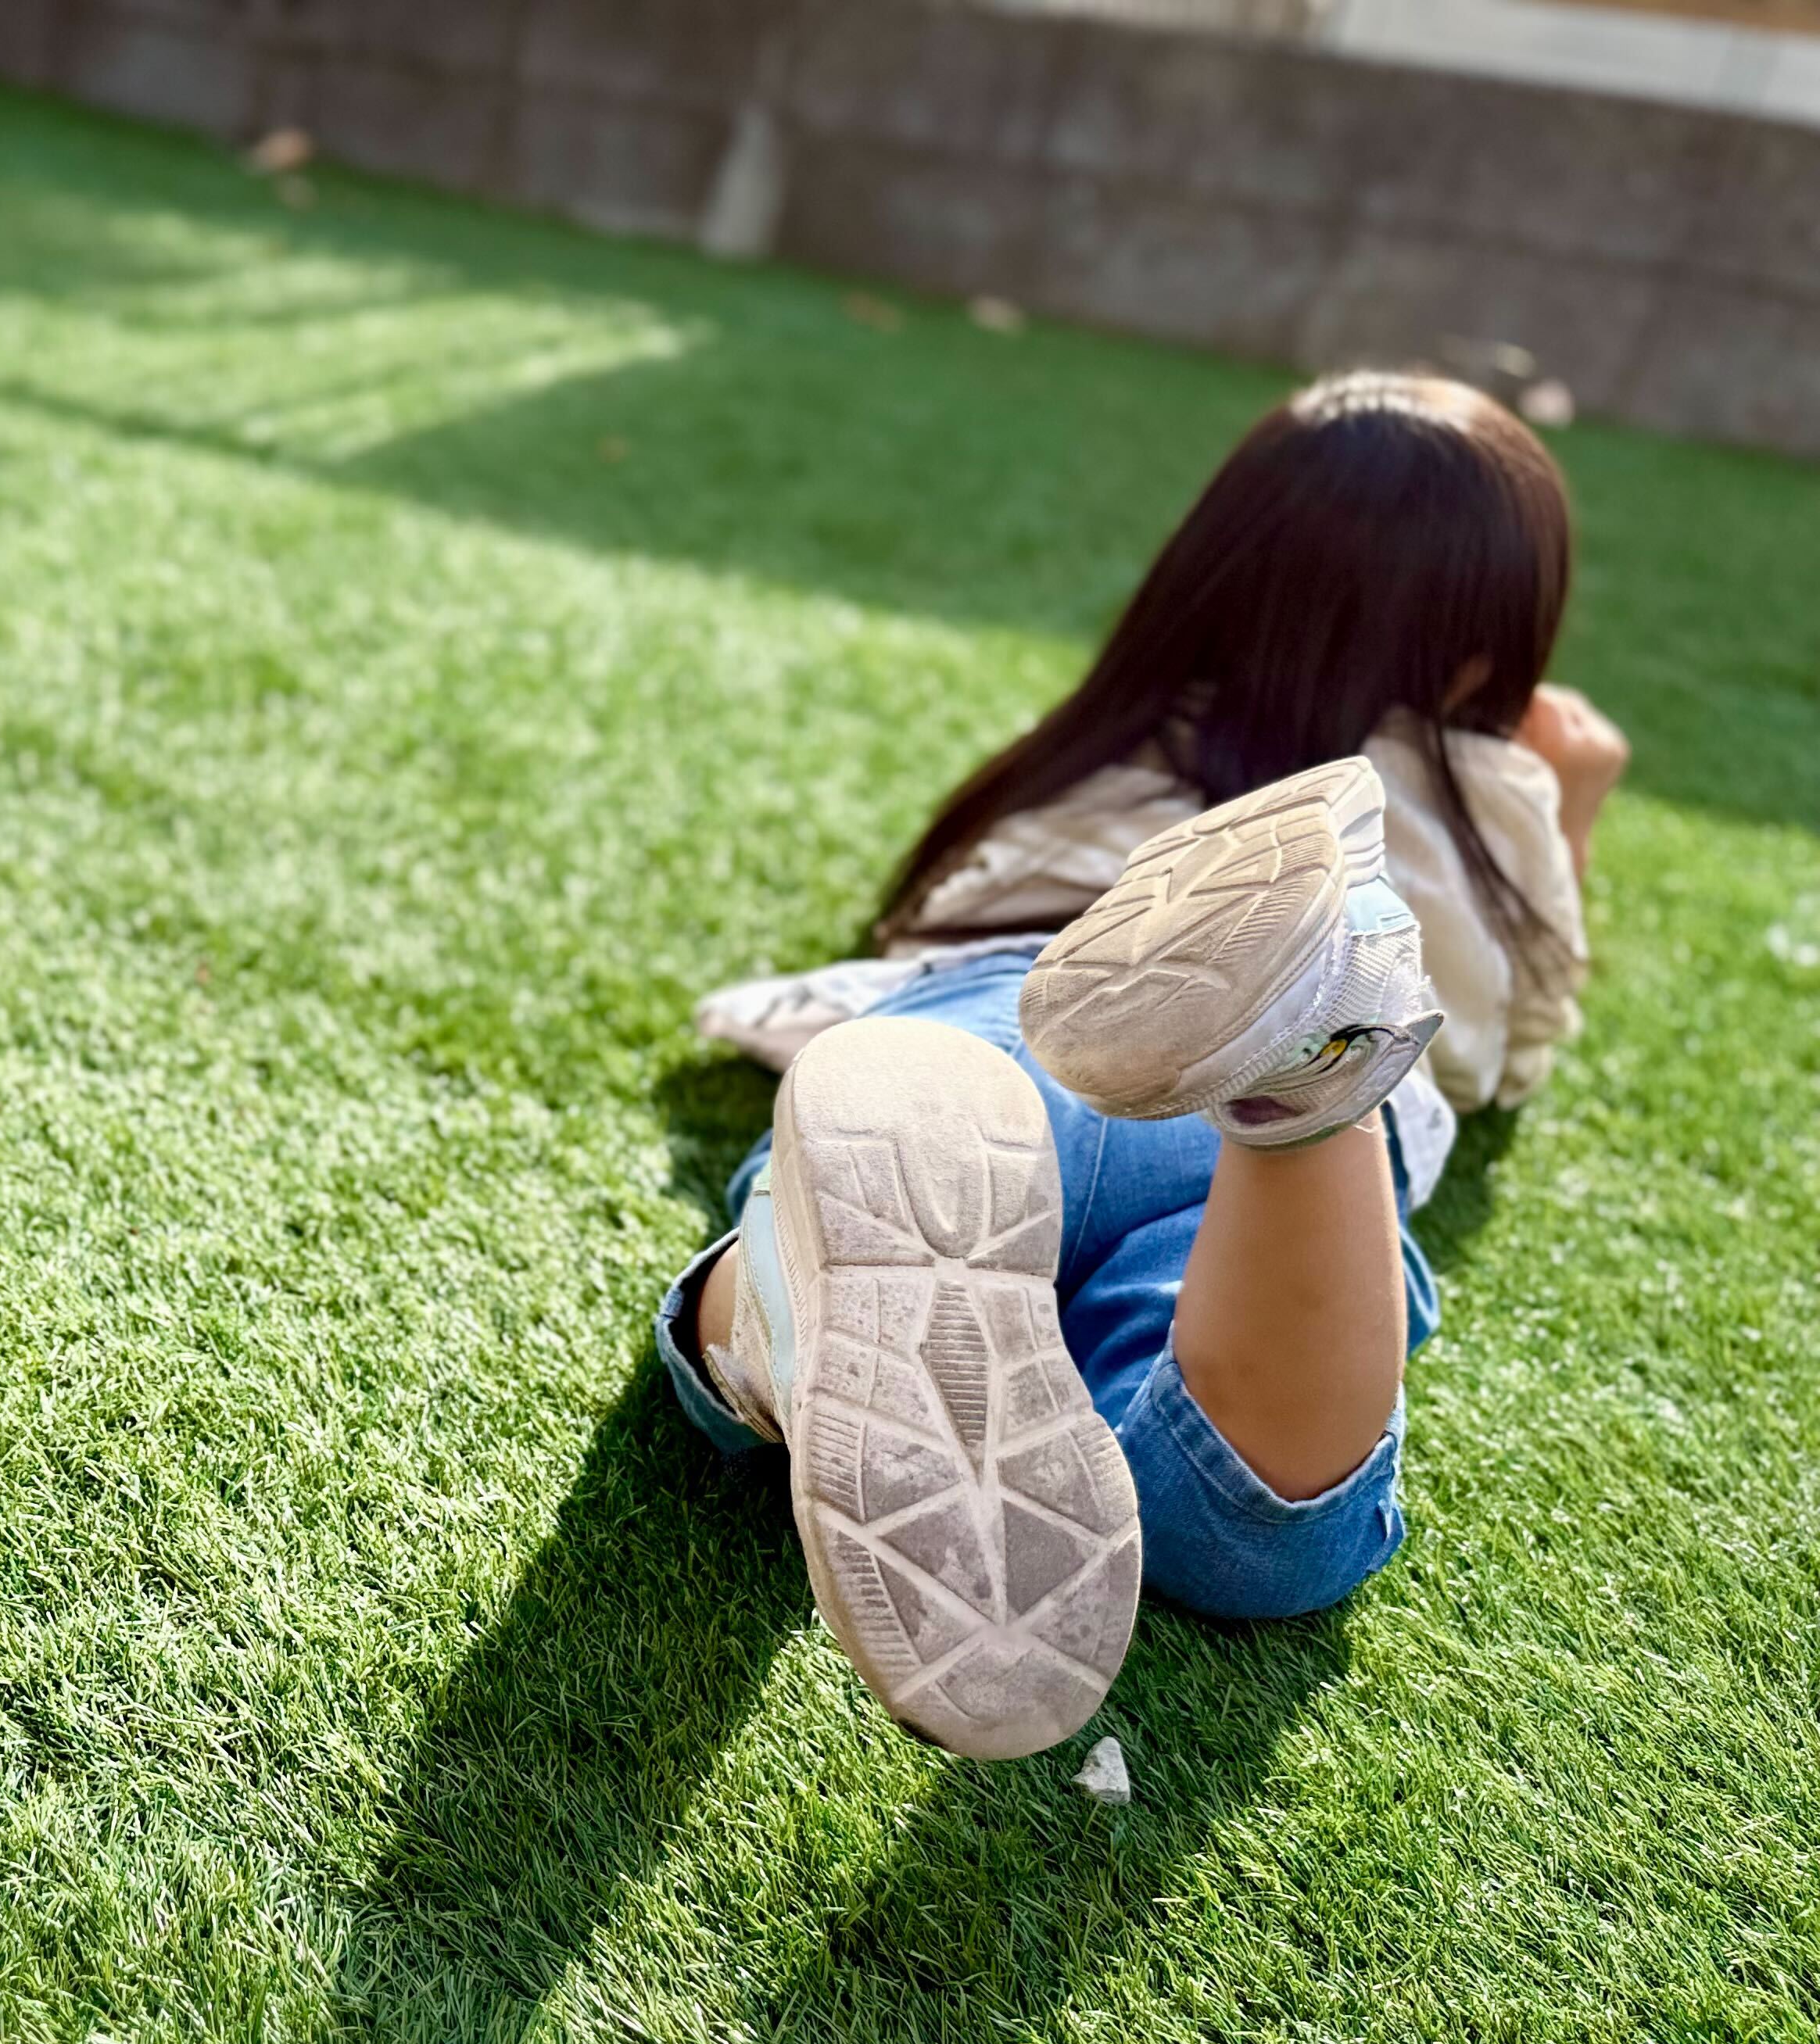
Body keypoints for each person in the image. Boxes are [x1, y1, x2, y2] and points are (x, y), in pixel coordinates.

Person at [659, 370, 1631, 1760]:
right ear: (1491, 654)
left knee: (894, 1159)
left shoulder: (1109, 740)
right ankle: (1301, 1071)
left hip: (1024, 1038)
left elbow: (924, 923)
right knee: (1240, 1534)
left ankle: (772, 1320)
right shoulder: (1471, 797)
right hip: (1263, 1146)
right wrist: (1567, 801)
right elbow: (1515, 1043)